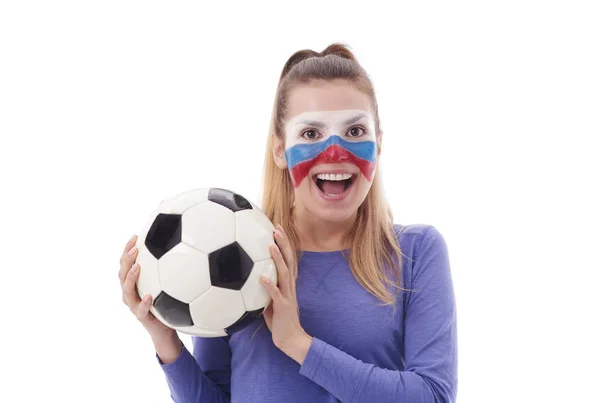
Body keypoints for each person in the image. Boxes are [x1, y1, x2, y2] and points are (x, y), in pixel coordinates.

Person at [118, 43, 458, 403]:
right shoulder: (236, 252)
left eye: (355, 132)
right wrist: (163, 337)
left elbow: (433, 395)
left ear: (378, 144)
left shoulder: (416, 252)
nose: (335, 153)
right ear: (279, 149)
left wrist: (297, 343)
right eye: (310, 133)